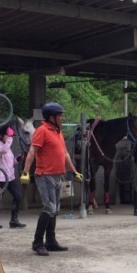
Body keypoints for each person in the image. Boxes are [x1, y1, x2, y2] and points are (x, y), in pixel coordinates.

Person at [20, 102, 83, 257]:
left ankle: (51, 241)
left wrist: (74, 172)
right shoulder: (42, 131)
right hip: (45, 175)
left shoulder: (58, 132)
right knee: (49, 208)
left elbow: (66, 154)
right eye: (60, 115)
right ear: (51, 117)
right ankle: (37, 243)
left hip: (58, 175)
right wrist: (26, 171)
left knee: (54, 210)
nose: (62, 118)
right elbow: (32, 151)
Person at [0, 125, 26, 229]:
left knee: (18, 196)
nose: (9, 138)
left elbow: (10, 162)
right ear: (1, 135)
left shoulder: (8, 148)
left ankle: (14, 220)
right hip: (0, 178)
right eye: (7, 136)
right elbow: (3, 150)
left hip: (10, 177)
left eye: (10, 137)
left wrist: (18, 159)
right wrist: (10, 139)